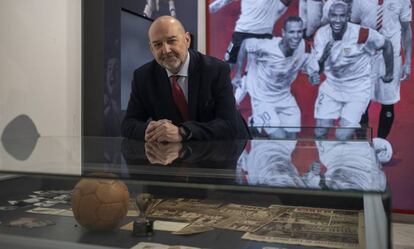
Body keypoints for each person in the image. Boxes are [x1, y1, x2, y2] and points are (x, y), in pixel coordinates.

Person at [121, 16, 250, 142]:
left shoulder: (216, 70)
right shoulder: (143, 77)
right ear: (151, 49)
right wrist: (149, 130)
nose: (166, 50)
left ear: (187, 40)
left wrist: (182, 132)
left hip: (227, 151)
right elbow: (128, 124)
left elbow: (229, 126)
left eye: (172, 41)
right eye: (158, 45)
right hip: (177, 156)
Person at [313, 1, 394, 140]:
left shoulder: (362, 34)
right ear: (329, 16)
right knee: (320, 132)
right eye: (334, 16)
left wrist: (389, 73)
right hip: (332, 87)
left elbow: (387, 45)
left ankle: (351, 147)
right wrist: (321, 60)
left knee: (342, 135)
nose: (337, 20)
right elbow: (317, 70)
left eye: (342, 16)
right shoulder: (322, 35)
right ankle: (325, 159)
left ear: (348, 16)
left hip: (357, 89)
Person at [234, 16, 320, 139]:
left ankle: (256, 123)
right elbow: (244, 45)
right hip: (262, 97)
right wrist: (237, 75)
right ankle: (257, 123)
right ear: (283, 33)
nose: (296, 36)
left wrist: (313, 78)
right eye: (291, 32)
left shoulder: (305, 48)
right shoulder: (267, 45)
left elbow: (312, 73)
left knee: (291, 139)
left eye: (299, 31)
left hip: (284, 97)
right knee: (280, 137)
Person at [209, 0, 292, 104]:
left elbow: (282, 6)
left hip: (263, 34)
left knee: (255, 73)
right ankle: (211, 95)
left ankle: (234, 103)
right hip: (243, 31)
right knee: (227, 66)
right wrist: (212, 7)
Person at [351, 0, 412, 138]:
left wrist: (407, 61)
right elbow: (353, 28)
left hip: (390, 59)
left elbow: (406, 30)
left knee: (388, 103)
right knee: (361, 101)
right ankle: (361, 143)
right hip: (366, 56)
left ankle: (380, 144)